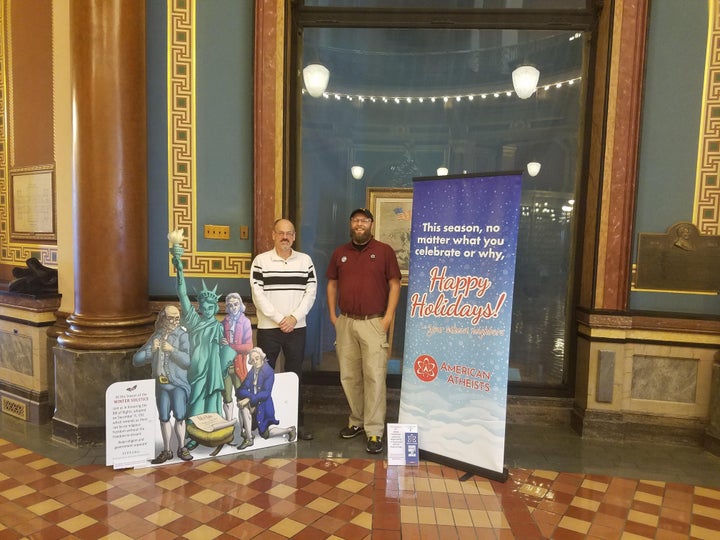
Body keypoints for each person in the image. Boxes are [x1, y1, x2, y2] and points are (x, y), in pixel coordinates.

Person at [326, 208, 401, 454]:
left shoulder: (384, 251)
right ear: (351, 224)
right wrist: (333, 316)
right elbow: (332, 283)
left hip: (373, 323)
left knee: (375, 377)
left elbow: (394, 284)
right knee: (349, 376)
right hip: (346, 322)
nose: (360, 224)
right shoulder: (340, 253)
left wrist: (387, 318)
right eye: (356, 220)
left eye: (364, 220)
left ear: (371, 224)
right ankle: (357, 421)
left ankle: (374, 431)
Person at [250, 218, 317, 440]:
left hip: (297, 328)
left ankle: (295, 422)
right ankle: (259, 424)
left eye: (289, 233)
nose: (285, 237)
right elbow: (257, 295)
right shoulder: (261, 261)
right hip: (270, 328)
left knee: (294, 374)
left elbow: (311, 292)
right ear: (273, 235)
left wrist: (294, 318)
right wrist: (280, 319)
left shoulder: (305, 261)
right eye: (281, 233)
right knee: (263, 375)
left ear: (295, 236)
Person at [171, 245, 235, 450]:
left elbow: (223, 347)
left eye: (211, 307)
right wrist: (180, 269)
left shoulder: (217, 326)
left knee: (212, 398)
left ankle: (212, 429)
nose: (207, 310)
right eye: (204, 307)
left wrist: (226, 347)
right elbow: (182, 294)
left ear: (215, 308)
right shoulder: (193, 321)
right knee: (195, 399)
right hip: (196, 371)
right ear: (199, 307)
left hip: (213, 371)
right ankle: (192, 433)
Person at [133, 305, 193, 463]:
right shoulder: (157, 336)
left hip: (178, 384)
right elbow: (136, 360)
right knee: (164, 417)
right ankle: (167, 450)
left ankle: (182, 447)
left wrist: (172, 350)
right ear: (163, 319)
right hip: (161, 385)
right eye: (171, 318)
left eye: (177, 318)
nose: (174, 321)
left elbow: (187, 362)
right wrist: (150, 350)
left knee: (180, 416)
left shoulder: (182, 335)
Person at [236, 347, 297, 449]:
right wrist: (249, 398)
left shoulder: (268, 371)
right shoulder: (252, 372)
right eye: (253, 360)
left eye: (257, 358)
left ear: (262, 357)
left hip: (264, 407)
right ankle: (248, 438)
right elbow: (241, 389)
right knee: (241, 403)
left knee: (266, 434)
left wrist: (250, 399)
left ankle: (290, 430)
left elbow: (266, 393)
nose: (255, 361)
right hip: (254, 404)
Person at [221, 292, 254, 422]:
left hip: (239, 366)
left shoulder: (245, 322)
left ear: (240, 305)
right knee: (226, 397)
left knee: (242, 397)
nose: (233, 307)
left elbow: (248, 347)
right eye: (230, 305)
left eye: (236, 304)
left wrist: (230, 345)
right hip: (225, 367)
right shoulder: (224, 323)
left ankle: (246, 429)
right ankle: (228, 427)